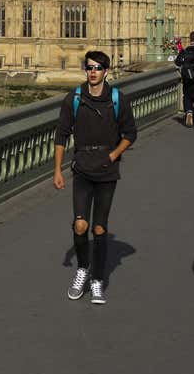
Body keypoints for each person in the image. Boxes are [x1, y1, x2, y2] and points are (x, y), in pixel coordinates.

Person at [53, 50, 138, 305]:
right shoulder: (75, 98)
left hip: (106, 169)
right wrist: (57, 170)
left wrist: (112, 156)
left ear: (106, 71)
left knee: (100, 227)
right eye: (89, 67)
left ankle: (98, 279)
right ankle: (82, 269)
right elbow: (61, 135)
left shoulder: (117, 99)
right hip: (82, 167)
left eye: (98, 68)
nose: (93, 71)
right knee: (81, 225)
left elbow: (130, 133)